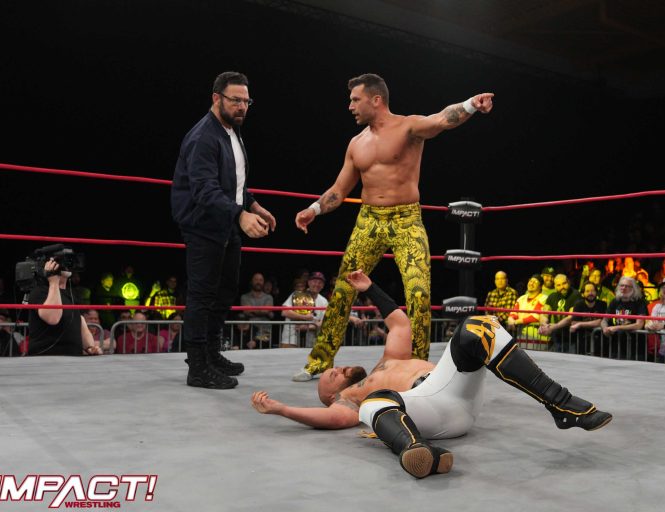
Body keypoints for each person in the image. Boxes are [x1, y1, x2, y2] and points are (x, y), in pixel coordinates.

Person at [252, 270, 611, 479]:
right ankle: (418, 451)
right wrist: (281, 409)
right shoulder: (347, 400)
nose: (337, 368)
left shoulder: (388, 360)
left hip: (454, 392)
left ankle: (561, 405)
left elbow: (399, 323)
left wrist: (369, 288)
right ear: (331, 394)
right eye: (331, 375)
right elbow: (327, 419)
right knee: (372, 405)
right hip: (427, 413)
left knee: (479, 325)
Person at [291, 73, 493, 381]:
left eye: (355, 100)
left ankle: (418, 367)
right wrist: (314, 209)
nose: (350, 106)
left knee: (418, 292)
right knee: (344, 287)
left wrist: (471, 104)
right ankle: (318, 361)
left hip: (406, 219)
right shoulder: (356, 143)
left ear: (376, 100)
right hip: (369, 219)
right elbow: (339, 189)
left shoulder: (408, 127)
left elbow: (442, 120)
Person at [171, 71, 275, 389]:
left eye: (246, 101)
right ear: (216, 98)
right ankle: (197, 367)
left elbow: (234, 182)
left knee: (225, 290)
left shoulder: (232, 131)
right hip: (203, 224)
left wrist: (253, 205)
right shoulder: (204, 137)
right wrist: (240, 215)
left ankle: (211, 353)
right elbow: (204, 190)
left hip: (225, 222)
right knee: (202, 294)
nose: (242, 106)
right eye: (235, 100)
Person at [27, 258, 103, 357]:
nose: (66, 266)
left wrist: (90, 347)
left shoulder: (71, 294)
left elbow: (79, 320)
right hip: (46, 358)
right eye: (61, 262)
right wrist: (53, 281)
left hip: (73, 360)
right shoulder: (40, 291)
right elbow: (53, 318)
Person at [280, 272, 329, 348]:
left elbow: (325, 321)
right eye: (314, 281)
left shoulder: (324, 301)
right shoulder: (297, 294)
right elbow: (284, 312)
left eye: (320, 283)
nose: (317, 284)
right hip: (291, 339)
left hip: (311, 343)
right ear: (309, 282)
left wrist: (309, 327)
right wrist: (305, 317)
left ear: (323, 286)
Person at [239, 272, 274, 349]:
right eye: (256, 280)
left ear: (263, 282)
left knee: (264, 352)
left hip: (265, 331)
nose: (258, 282)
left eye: (261, 280)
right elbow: (246, 311)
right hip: (249, 331)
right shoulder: (244, 297)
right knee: (247, 351)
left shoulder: (269, 297)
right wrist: (263, 311)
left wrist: (252, 310)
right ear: (252, 282)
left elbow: (266, 311)